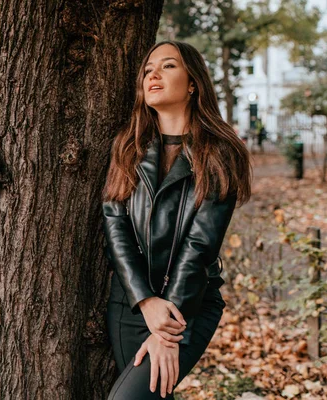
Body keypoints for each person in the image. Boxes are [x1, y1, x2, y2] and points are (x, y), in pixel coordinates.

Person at [101, 40, 252, 399]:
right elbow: (115, 226)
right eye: (148, 69)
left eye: (168, 66)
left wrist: (166, 329)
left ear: (193, 83)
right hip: (130, 303)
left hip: (189, 304)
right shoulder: (128, 145)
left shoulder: (220, 151)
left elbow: (200, 245)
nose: (153, 74)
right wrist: (145, 301)